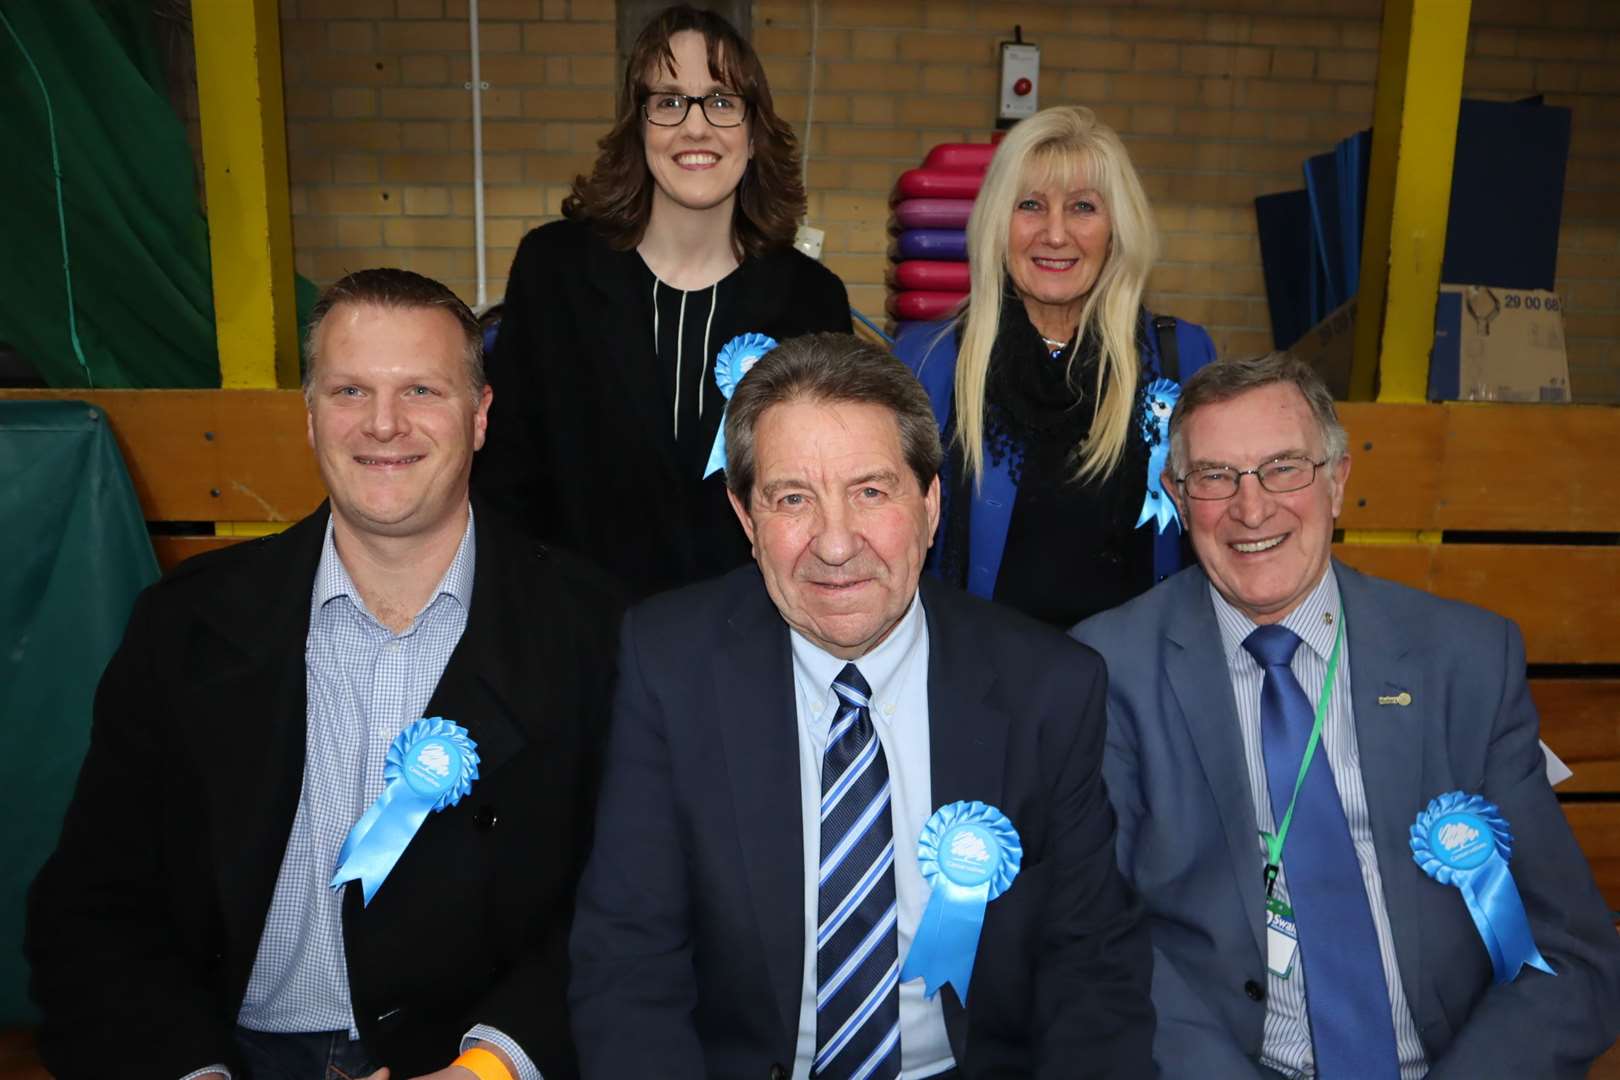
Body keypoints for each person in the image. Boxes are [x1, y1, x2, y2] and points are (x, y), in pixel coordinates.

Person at [26, 269, 624, 1080]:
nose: (383, 424)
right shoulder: (182, 628)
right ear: (310, 419)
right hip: (227, 1054)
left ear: (480, 418)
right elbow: (94, 909)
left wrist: (491, 1066)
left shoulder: (593, 630)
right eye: (349, 390)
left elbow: (622, 900)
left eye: (421, 389)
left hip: (471, 1056)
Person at [569, 333, 1152, 1079]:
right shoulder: (669, 668)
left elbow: (1092, 971)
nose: (836, 544)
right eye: (792, 500)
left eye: (870, 491)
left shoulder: (1049, 688)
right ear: (746, 520)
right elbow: (628, 961)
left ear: (930, 505)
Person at [1072, 352, 1620, 1078]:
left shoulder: (1466, 659)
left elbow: (1573, 953)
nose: (1252, 506)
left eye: (1284, 467)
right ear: (1176, 494)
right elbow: (1098, 940)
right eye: (1215, 477)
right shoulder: (1110, 669)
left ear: (1338, 480)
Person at [474, 3, 851, 600]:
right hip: (581, 636)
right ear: (639, 125)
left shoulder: (811, 299)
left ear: (754, 136)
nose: (695, 128)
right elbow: (505, 479)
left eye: (722, 102)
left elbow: (823, 495)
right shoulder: (554, 272)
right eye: (669, 101)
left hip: (743, 640)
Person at [895, 105, 1217, 629]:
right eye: (1030, 205)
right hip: (986, 682)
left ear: (1117, 228)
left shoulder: (1182, 357)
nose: (1055, 234)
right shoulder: (928, 362)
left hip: (1131, 688)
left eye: (1083, 208)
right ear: (998, 223)